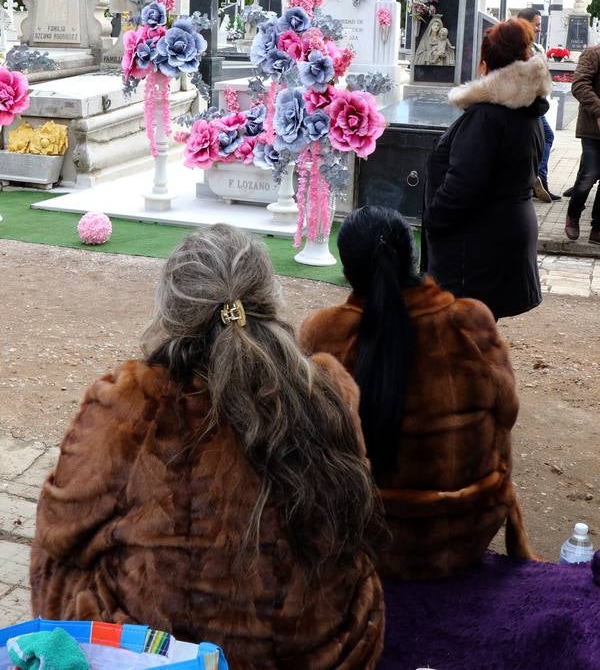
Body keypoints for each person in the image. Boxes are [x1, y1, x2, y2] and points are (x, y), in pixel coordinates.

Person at [30, 226, 384, 668]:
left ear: (171, 310)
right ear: (269, 300)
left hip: (166, 657)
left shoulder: (129, 403)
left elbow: (58, 529)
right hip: (320, 651)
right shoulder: (328, 390)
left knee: (57, 559)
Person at [299, 206, 536, 582]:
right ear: (413, 256)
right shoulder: (470, 321)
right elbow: (507, 413)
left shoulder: (325, 333)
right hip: (470, 530)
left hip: (376, 543)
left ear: (347, 272)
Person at [423, 18, 552, 319]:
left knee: (464, 340)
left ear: (484, 66)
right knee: (478, 335)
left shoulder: (486, 117)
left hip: (477, 244)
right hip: (503, 233)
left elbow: (464, 184)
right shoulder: (525, 111)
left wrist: (434, 218)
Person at [518, 7, 560, 201]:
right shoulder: (517, 44)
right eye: (537, 24)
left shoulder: (535, 46)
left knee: (543, 138)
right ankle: (537, 177)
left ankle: (537, 178)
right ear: (525, 23)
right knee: (545, 137)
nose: (539, 29)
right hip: (524, 104)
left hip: (534, 103)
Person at [564, 43, 600, 244]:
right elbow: (579, 84)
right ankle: (573, 214)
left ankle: (597, 229)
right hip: (593, 129)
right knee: (589, 175)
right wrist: (598, 110)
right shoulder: (593, 54)